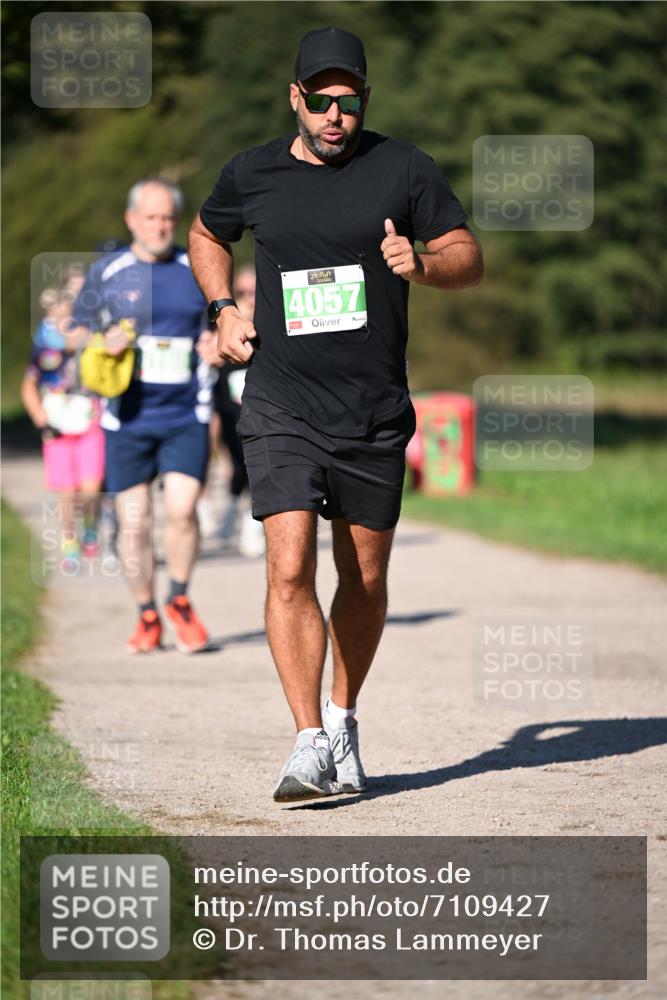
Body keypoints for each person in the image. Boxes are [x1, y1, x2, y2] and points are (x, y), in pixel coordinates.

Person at [189, 27, 483, 801]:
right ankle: (306, 743)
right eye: (318, 101)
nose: (332, 116)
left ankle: (343, 718)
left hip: (372, 408)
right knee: (289, 567)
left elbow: (466, 255)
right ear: (294, 98)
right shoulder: (250, 172)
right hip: (280, 400)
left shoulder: (404, 167)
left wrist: (423, 264)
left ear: (362, 102)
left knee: (365, 577)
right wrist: (221, 307)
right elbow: (205, 232)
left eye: (346, 102)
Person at [71, 177, 214, 654]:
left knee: (182, 509)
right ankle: (146, 613)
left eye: (168, 219)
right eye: (151, 218)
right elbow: (75, 331)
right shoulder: (109, 271)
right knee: (133, 524)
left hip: (184, 412)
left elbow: (222, 323)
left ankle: (179, 599)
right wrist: (102, 341)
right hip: (126, 418)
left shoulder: (195, 266)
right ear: (131, 219)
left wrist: (216, 345)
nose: (160, 226)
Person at [22, 286, 105, 571]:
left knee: (91, 489)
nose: (62, 320)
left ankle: (91, 526)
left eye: (68, 314)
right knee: (67, 492)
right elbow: (29, 385)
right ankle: (69, 542)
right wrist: (40, 419)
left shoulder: (92, 343)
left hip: (89, 424)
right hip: (58, 428)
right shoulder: (43, 348)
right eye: (55, 314)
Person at [214, 264, 266, 558]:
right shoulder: (222, 320)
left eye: (254, 291)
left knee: (257, 466)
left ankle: (251, 528)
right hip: (228, 407)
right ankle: (230, 515)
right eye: (242, 291)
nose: (249, 297)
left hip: (262, 405)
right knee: (236, 464)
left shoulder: (271, 319)